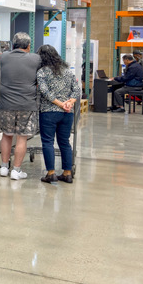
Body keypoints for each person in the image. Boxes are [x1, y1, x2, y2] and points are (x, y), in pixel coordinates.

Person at [0, 32, 41, 180]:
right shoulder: (35, 59)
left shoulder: (4, 57)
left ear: (13, 45)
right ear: (28, 46)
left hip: (6, 104)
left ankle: (4, 168)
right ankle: (16, 171)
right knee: (22, 138)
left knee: (6, 135)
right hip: (26, 105)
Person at [36, 45, 81, 184]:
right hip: (67, 113)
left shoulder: (42, 72)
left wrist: (60, 104)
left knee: (48, 142)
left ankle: (51, 173)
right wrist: (69, 103)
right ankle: (67, 173)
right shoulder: (67, 71)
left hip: (48, 112)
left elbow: (45, 91)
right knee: (64, 142)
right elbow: (76, 90)